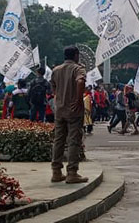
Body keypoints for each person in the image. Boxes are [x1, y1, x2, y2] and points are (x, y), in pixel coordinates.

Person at [49, 46, 88, 184]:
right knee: (74, 140)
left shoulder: (56, 70)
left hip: (59, 109)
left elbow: (53, 87)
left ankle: (56, 172)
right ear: (76, 55)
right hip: (74, 110)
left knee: (58, 140)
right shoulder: (78, 69)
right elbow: (80, 81)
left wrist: (59, 97)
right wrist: (78, 99)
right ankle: (72, 173)